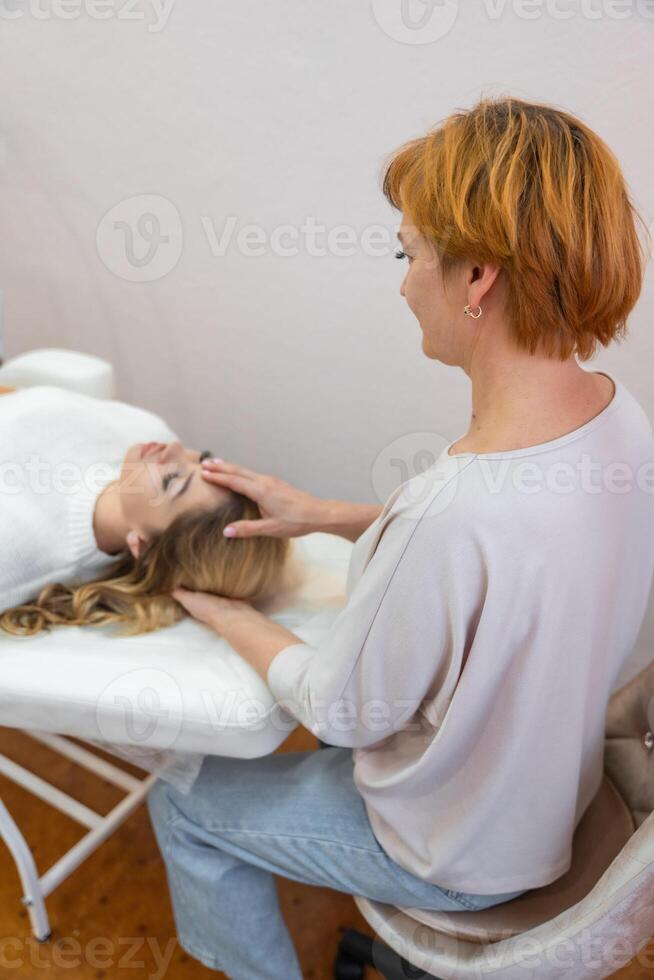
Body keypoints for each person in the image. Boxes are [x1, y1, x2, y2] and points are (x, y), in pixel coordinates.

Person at [145, 95, 654, 980]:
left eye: (408, 251)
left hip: (465, 858)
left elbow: (343, 712)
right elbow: (513, 559)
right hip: (553, 799)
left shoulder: (449, 511)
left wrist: (219, 608)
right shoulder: (619, 422)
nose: (402, 281)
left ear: (477, 279)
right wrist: (329, 514)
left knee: (184, 803)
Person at [0, 384, 290, 635]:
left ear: (142, 545)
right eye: (202, 460)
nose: (174, 448)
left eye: (172, 481)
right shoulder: (148, 432)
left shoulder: (16, 552)